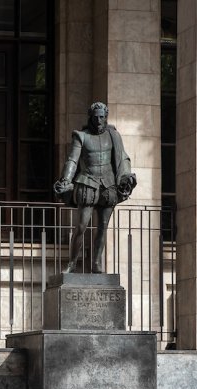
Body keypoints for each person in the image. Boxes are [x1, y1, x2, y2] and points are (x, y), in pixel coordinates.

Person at [53, 101, 137, 274]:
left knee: (103, 227)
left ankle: (97, 263)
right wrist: (66, 179)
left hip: (108, 185)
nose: (99, 121)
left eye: (102, 117)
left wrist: (125, 177)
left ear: (105, 117)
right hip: (87, 183)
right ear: (90, 117)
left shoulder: (114, 136)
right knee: (81, 226)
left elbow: (122, 159)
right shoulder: (81, 136)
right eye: (96, 117)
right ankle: (72, 263)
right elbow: (72, 160)